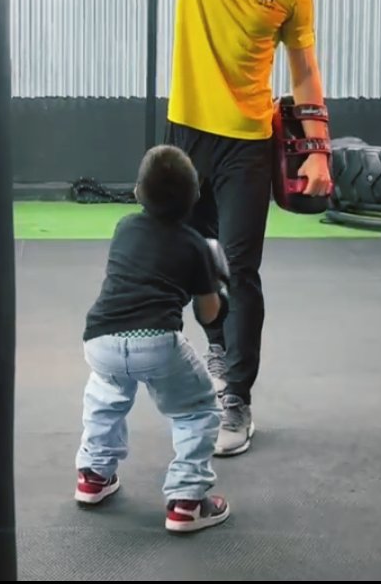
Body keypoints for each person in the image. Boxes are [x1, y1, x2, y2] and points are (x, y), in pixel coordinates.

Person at [141, 0, 332, 457]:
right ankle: (217, 345)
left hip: (249, 144)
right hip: (186, 138)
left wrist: (317, 150)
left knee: (242, 272)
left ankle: (237, 399)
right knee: (189, 259)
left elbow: (303, 70)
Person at [75, 144, 231, 533]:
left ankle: (93, 475)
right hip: (156, 341)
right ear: (195, 198)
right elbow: (207, 314)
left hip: (101, 339)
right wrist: (220, 285)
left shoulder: (124, 226)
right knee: (198, 409)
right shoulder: (196, 245)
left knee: (105, 399)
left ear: (136, 192)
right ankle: (187, 501)